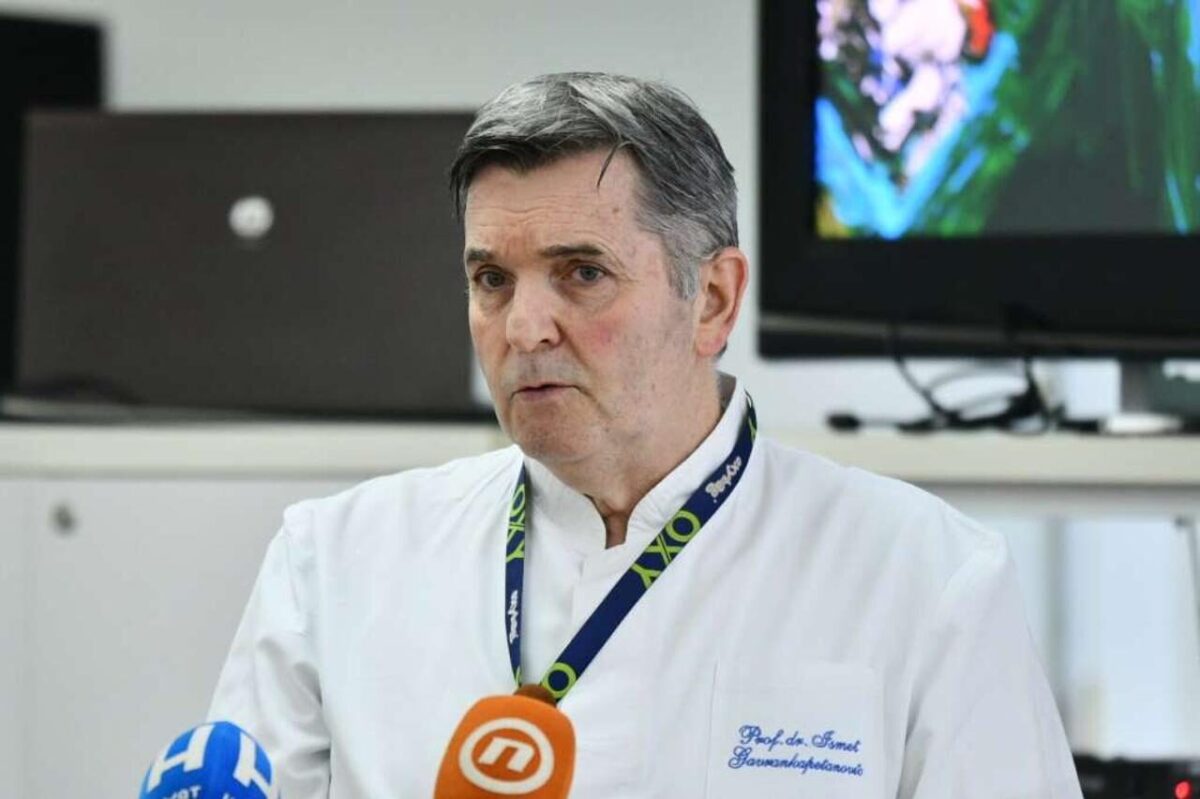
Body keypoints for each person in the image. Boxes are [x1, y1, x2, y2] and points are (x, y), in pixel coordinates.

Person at [208, 72, 1082, 798]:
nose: (525, 327)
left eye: (582, 273)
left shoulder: (927, 577)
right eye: (493, 280)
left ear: (713, 300)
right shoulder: (333, 562)